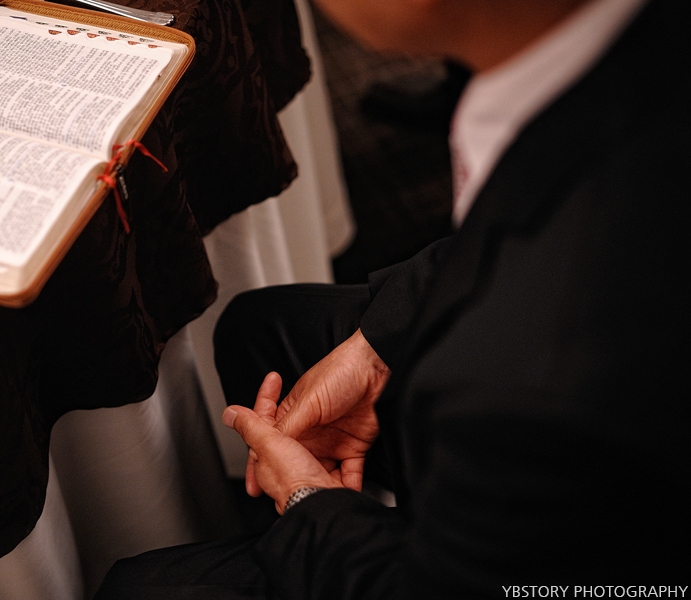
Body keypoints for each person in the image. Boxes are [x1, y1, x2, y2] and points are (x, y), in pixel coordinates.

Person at [94, 0, 691, 597]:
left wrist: (306, 503)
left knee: (137, 587)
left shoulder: (532, 386)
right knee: (258, 329)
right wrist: (377, 348)